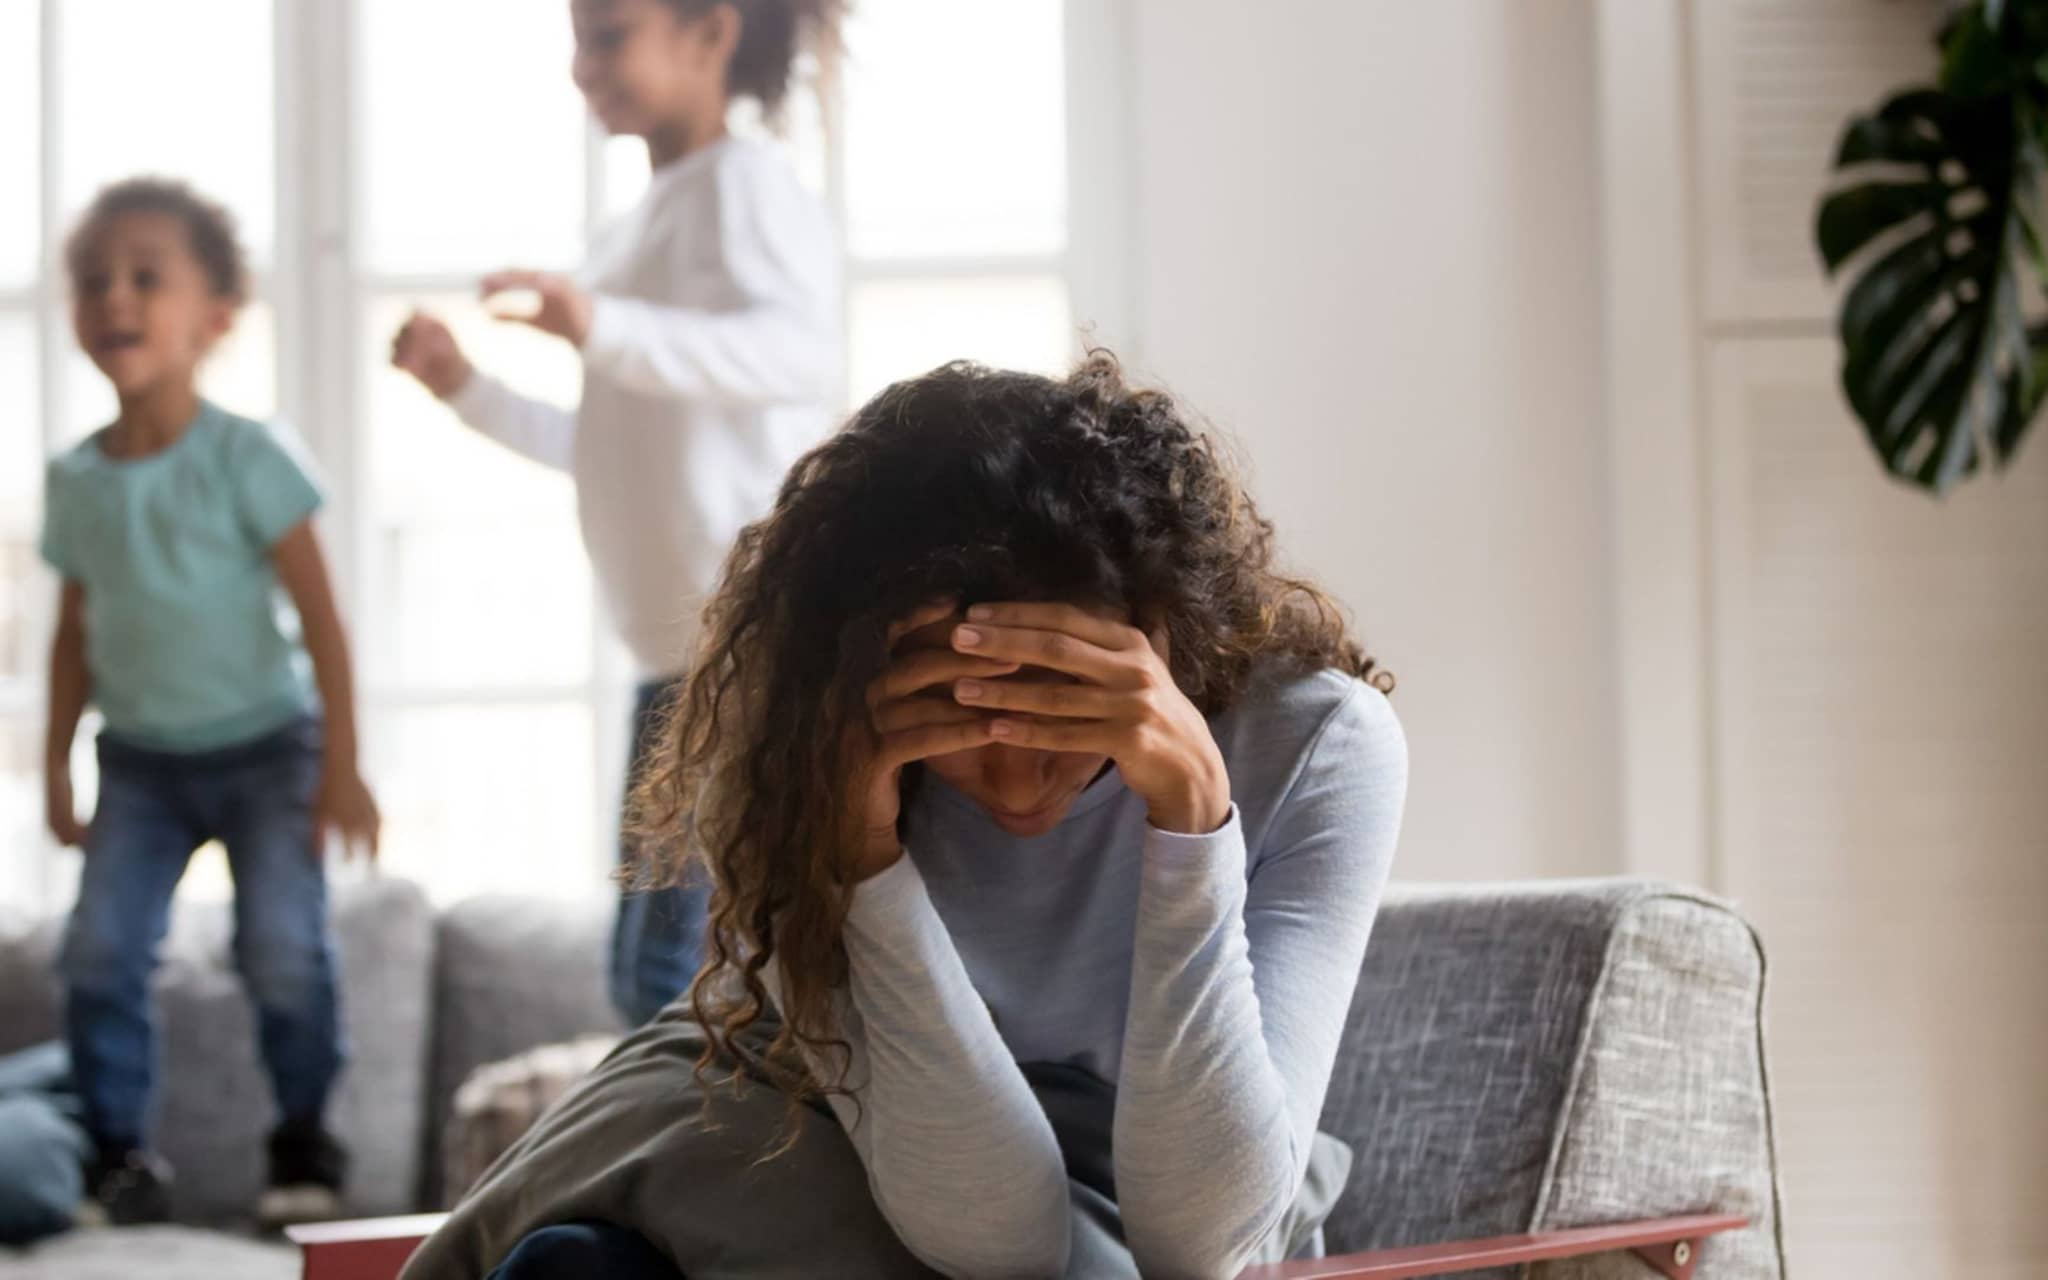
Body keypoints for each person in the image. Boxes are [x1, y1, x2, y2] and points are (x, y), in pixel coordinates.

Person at [400, 354, 1410, 1280]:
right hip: (822, 1109)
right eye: (956, 714)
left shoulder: (1314, 742)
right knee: (573, 1268)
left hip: (1143, 1163)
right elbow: (996, 1230)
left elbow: (1204, 1239)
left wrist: (1192, 819)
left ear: (1158, 634)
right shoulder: (799, 742)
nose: (1015, 777)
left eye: (1060, 702)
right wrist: (863, 859)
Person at [389, 0, 844, 1028]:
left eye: (605, 35)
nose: (579, 66)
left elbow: (798, 357)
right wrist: (464, 386)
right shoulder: (635, 227)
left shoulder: (746, 185)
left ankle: (675, 1171)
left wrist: (599, 322)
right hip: (670, 650)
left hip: (745, 638)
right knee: (647, 963)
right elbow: (601, 449)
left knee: (669, 968)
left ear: (708, 33)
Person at [40, 178, 380, 1229]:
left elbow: (323, 618)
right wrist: (54, 764)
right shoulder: (77, 481)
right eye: (94, 280)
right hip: (139, 761)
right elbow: (71, 637)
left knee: (281, 945)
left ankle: (303, 1136)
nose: (114, 298)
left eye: (146, 277)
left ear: (215, 317)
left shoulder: (248, 454)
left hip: (270, 749)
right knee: (98, 950)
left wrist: (342, 763)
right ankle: (118, 1155)